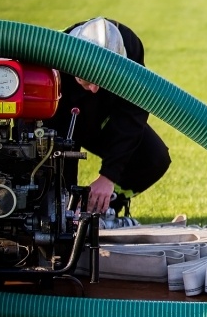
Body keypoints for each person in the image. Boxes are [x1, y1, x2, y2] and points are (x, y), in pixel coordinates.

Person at [46, 17, 171, 218]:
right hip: (59, 118)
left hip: (104, 118)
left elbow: (132, 115)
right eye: (86, 80)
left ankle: (108, 205)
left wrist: (108, 177)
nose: (94, 89)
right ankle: (65, 215)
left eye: (102, 81)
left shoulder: (130, 49)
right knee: (58, 192)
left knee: (154, 158)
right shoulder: (51, 55)